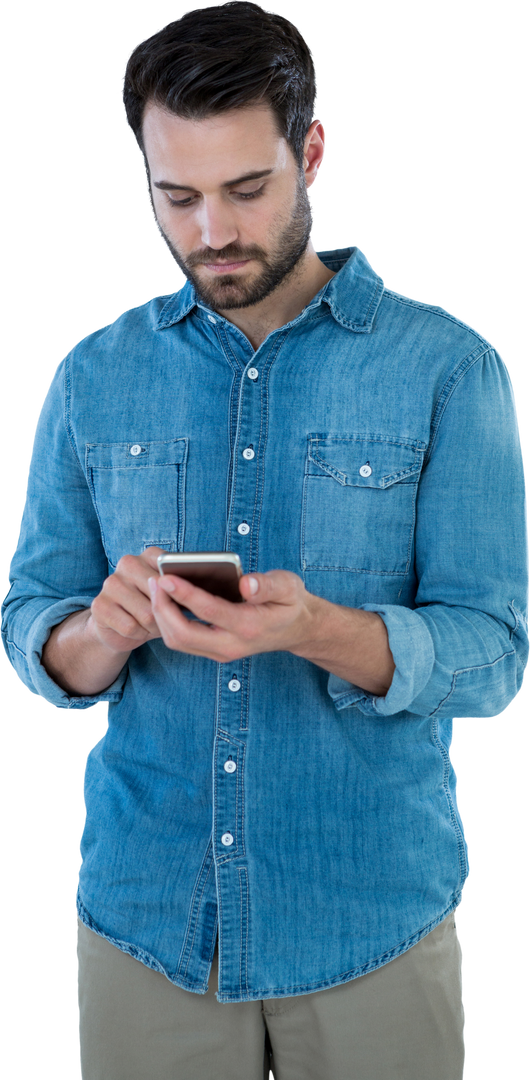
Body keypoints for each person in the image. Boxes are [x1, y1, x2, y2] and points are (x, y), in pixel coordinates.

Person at [2, 2, 527, 1078]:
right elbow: (32, 624)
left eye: (246, 189)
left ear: (312, 151)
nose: (211, 233)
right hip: (146, 921)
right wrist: (97, 634)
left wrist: (322, 631)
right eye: (176, 196)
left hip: (370, 921)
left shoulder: (448, 368)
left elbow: (492, 654)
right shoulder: (91, 375)